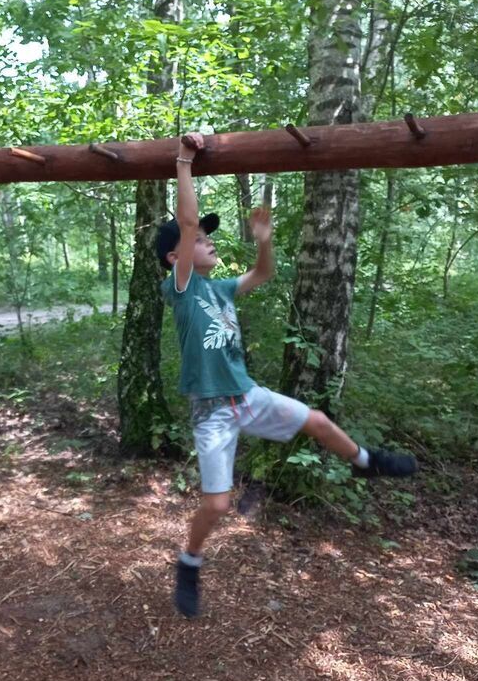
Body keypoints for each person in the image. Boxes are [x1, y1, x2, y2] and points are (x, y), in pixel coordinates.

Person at [157, 133, 418, 618]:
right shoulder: (183, 289)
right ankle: (189, 561)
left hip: (247, 396)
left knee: (317, 421)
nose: (207, 241)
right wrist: (184, 161)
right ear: (177, 257)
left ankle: (366, 462)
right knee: (216, 507)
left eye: (209, 238)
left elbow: (263, 275)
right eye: (199, 240)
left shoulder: (220, 290)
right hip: (212, 411)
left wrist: (265, 241)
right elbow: (188, 221)